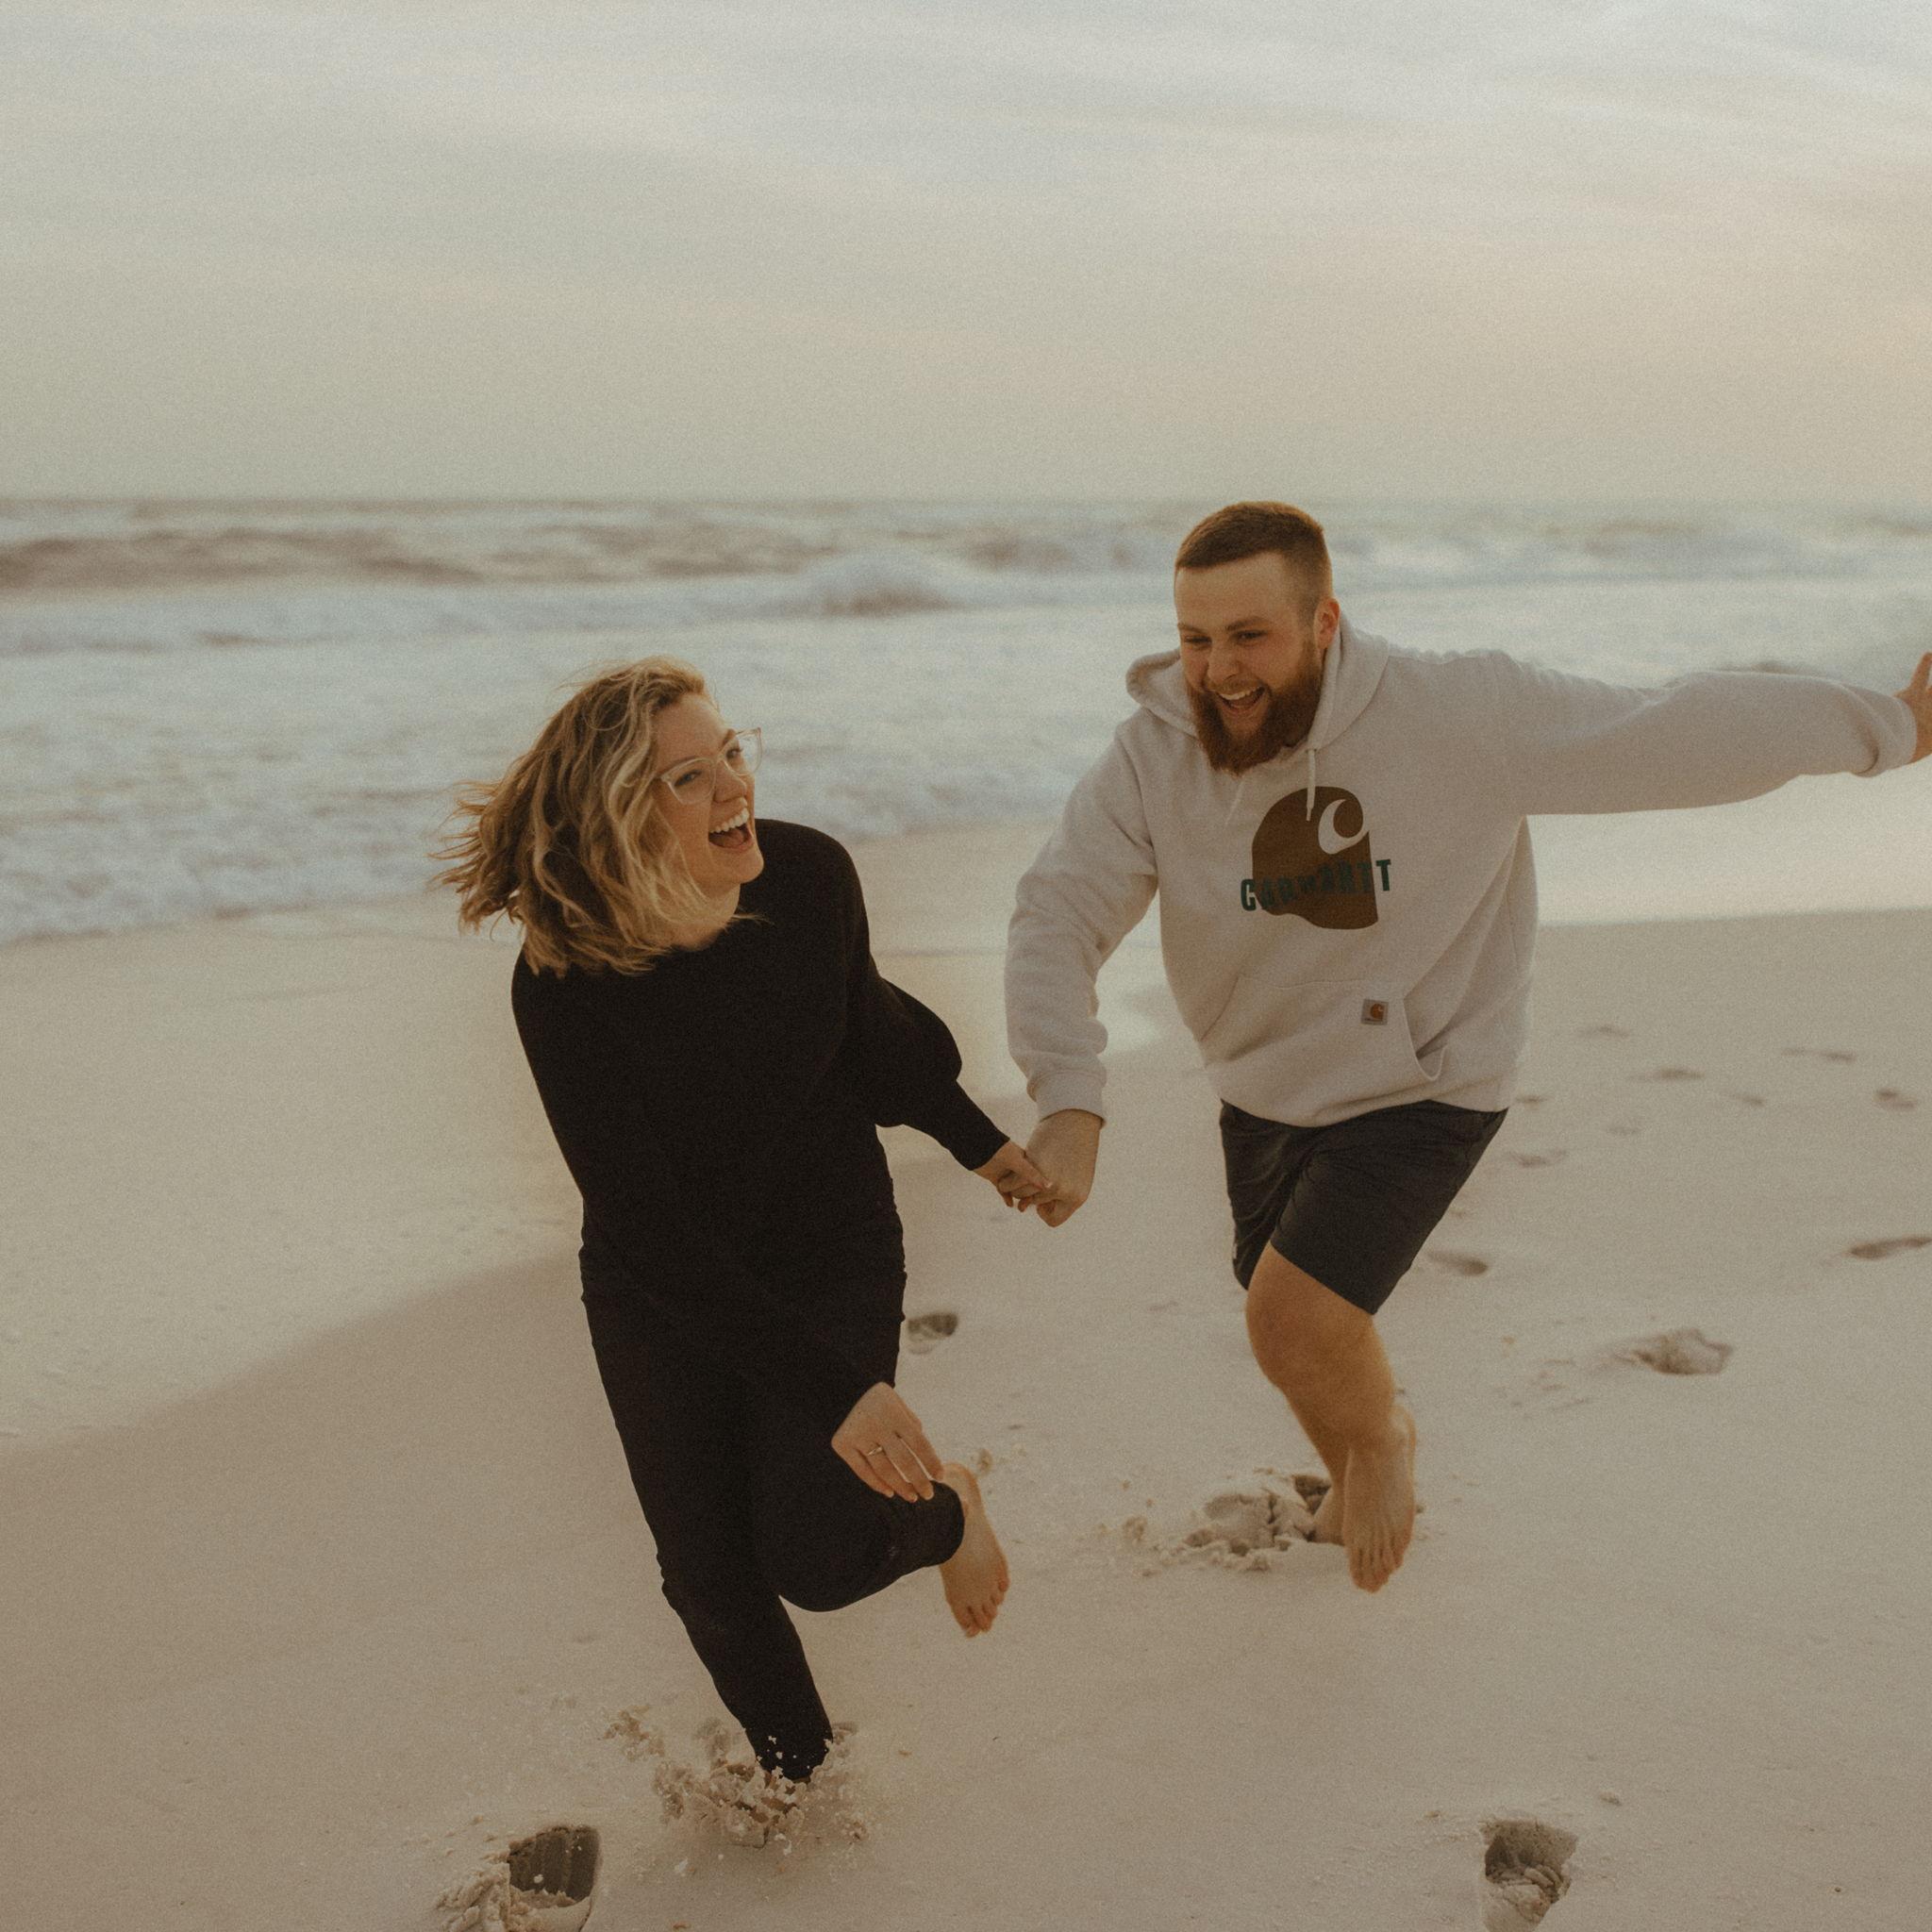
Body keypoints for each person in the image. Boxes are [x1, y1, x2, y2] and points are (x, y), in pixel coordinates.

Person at [1006, 500, 1932, 1594]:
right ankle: (1350, 1467)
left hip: (1428, 1073)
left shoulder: (1453, 711)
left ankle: (1385, 1442)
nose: (1217, 671)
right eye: (1197, 637)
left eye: (1248, 636)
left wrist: (1892, 727)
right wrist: (1069, 1093)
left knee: (1291, 1318)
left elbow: (1671, 727)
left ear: (1323, 622)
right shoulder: (1150, 756)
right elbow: (1057, 911)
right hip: (1260, 1078)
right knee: (1288, 1321)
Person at [439, 657, 1045, 1786]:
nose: (733, 787)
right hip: (658, 1276)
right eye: (689, 776)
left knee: (813, 1554)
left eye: (732, 754)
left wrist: (983, 1146)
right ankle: (799, 1776)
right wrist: (841, 1392)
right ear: (622, 816)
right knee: (706, 1569)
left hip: (826, 1243)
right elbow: (651, 1232)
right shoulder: (561, 982)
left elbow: (865, 1038)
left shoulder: (807, 877)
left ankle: (952, 1514)